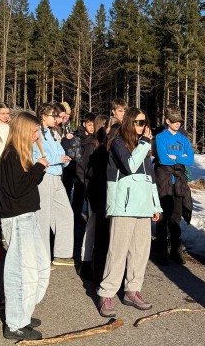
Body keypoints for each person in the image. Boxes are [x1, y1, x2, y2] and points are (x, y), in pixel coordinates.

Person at [97, 107, 161, 318]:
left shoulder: (144, 146)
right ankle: (106, 293)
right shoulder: (118, 142)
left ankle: (133, 290)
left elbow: (150, 178)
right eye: (139, 122)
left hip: (143, 206)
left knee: (140, 251)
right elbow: (130, 166)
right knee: (117, 251)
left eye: (145, 122)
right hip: (123, 206)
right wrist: (145, 143)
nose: (143, 126)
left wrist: (156, 205)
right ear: (129, 123)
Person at [0, 112, 51, 341]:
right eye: (34, 131)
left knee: (40, 266)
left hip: (27, 217)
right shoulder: (11, 155)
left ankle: (23, 313)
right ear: (24, 131)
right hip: (18, 220)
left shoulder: (20, 154)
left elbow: (25, 185)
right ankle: (15, 323)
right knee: (22, 273)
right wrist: (38, 168)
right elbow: (17, 189)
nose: (37, 136)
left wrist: (37, 168)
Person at [33, 103, 74, 266]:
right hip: (45, 176)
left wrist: (64, 160)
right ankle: (42, 258)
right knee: (43, 218)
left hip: (57, 176)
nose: (56, 118)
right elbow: (37, 156)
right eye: (53, 115)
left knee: (66, 213)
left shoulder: (53, 133)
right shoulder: (36, 132)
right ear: (43, 116)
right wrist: (58, 159)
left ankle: (62, 253)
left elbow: (60, 152)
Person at [154, 105, 194, 265]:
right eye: (174, 121)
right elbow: (163, 158)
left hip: (178, 183)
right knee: (162, 217)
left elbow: (190, 159)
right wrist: (180, 156)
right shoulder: (160, 137)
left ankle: (176, 251)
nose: (178, 124)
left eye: (180, 121)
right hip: (163, 182)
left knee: (176, 217)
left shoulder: (183, 138)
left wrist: (174, 157)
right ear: (167, 121)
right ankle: (161, 251)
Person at [79, 113, 107, 281]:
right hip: (94, 192)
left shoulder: (105, 145)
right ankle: (86, 261)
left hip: (102, 192)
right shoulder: (92, 145)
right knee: (92, 228)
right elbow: (86, 169)